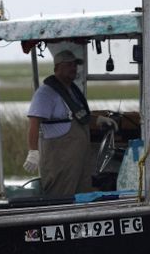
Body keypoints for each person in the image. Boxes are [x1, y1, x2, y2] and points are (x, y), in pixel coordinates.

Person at [23, 49, 116, 197]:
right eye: (68, 65)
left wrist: (98, 119)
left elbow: (79, 116)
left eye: (75, 65)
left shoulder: (72, 90)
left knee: (83, 193)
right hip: (60, 157)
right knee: (60, 194)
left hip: (79, 159)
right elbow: (34, 123)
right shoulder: (45, 93)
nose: (73, 68)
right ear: (56, 68)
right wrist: (33, 151)